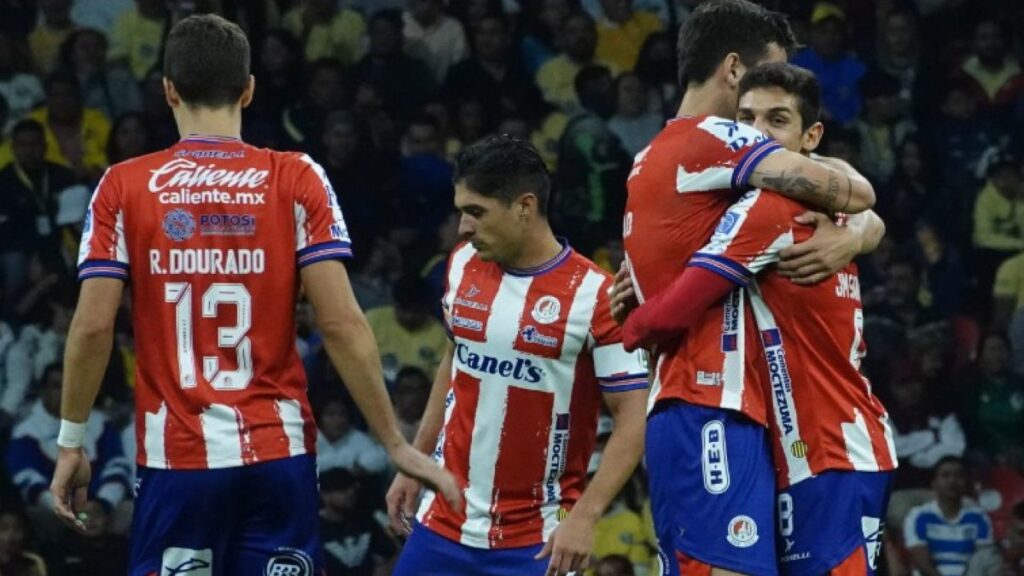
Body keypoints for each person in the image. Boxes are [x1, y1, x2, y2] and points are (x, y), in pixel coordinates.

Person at [48, 14, 458, 575]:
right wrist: (395, 442)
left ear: (168, 90)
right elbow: (340, 323)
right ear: (248, 88)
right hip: (278, 455)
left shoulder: (123, 184)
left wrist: (72, 442)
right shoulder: (297, 176)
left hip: (179, 460)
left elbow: (94, 328)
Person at [617, 1, 876, 574]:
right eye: (760, 79)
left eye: (777, 115)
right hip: (705, 402)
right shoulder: (713, 141)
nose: (759, 118)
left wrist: (856, 235)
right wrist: (857, 224)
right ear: (733, 71)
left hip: (740, 410)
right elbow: (853, 192)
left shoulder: (657, 156)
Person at [386, 135, 649, 576]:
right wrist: (416, 462)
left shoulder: (595, 295)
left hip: (539, 540)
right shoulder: (462, 263)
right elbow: (456, 359)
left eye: (476, 212)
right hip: (443, 523)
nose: (464, 227)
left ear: (525, 206)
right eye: (461, 212)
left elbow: (634, 416)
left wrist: (586, 515)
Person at [904, 457, 995, 576]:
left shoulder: (979, 517)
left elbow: (984, 558)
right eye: (945, 475)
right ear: (934, 483)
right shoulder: (918, 516)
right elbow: (922, 562)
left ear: (967, 482)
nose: (952, 481)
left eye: (959, 475)